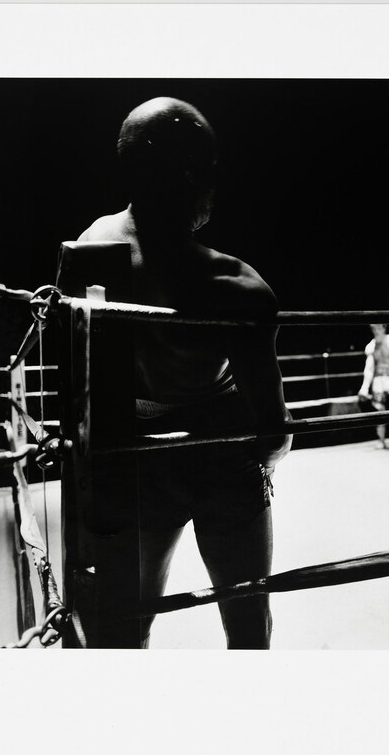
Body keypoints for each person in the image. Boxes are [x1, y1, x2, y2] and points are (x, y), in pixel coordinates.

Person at [76, 97, 292, 648]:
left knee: (129, 621)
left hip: (135, 458)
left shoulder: (89, 248)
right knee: (247, 625)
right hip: (221, 456)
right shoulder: (234, 285)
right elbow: (274, 431)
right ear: (196, 172)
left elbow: (80, 386)